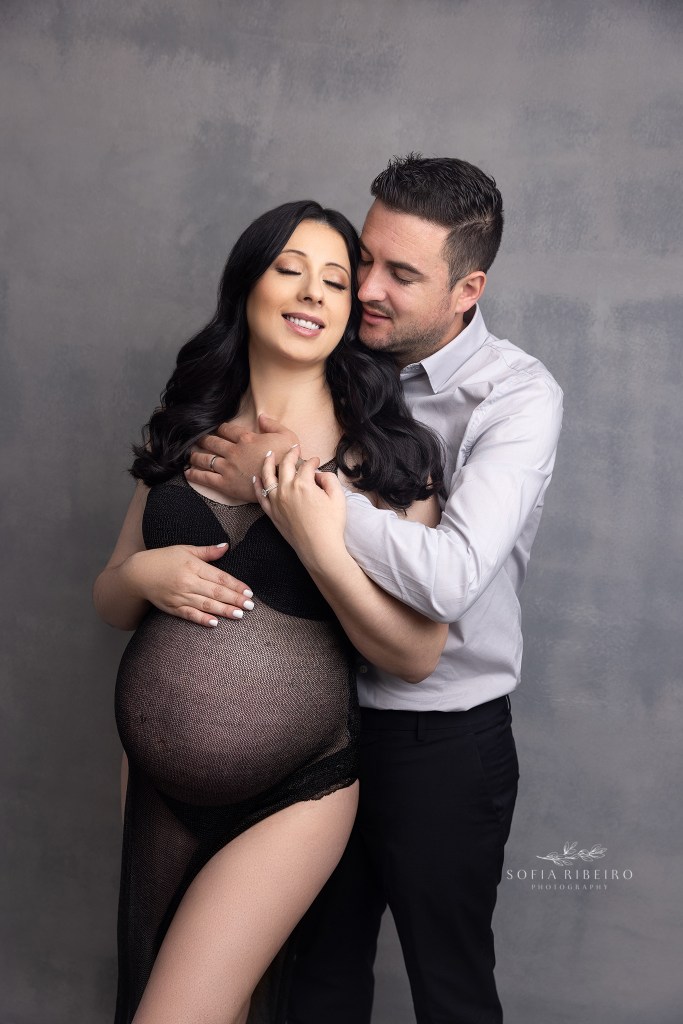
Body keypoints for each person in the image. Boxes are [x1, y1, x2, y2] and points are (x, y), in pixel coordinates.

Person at [187, 156, 564, 1024]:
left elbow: (450, 579)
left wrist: (287, 487)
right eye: (365, 259)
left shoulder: (514, 396)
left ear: (466, 289)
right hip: (317, 728)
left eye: (401, 274)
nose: (363, 290)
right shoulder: (341, 357)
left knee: (452, 989)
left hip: (444, 742)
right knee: (313, 983)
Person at [93, 199, 449, 1024]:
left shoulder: (387, 456)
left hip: (298, 787)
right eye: (290, 268)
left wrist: (308, 523)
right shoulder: (191, 429)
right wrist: (145, 575)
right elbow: (109, 595)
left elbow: (413, 652)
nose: (313, 293)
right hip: (152, 779)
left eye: (334, 279)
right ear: (247, 286)